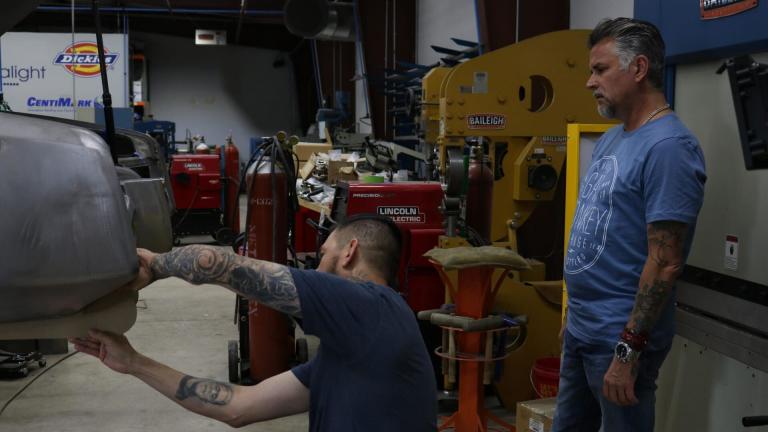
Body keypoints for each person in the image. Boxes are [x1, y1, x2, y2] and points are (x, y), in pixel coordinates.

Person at [71, 214, 438, 431]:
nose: (317, 263)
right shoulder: (351, 349)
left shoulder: (372, 308)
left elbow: (215, 264)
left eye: (323, 252)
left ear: (350, 252)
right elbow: (237, 407)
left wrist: (155, 265)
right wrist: (133, 362)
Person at [553, 18, 707, 432]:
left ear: (638, 68)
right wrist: (575, 315)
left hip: (618, 339)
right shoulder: (613, 138)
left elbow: (665, 261)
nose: (590, 82)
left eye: (600, 70)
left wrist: (628, 350)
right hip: (584, 328)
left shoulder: (669, 148)